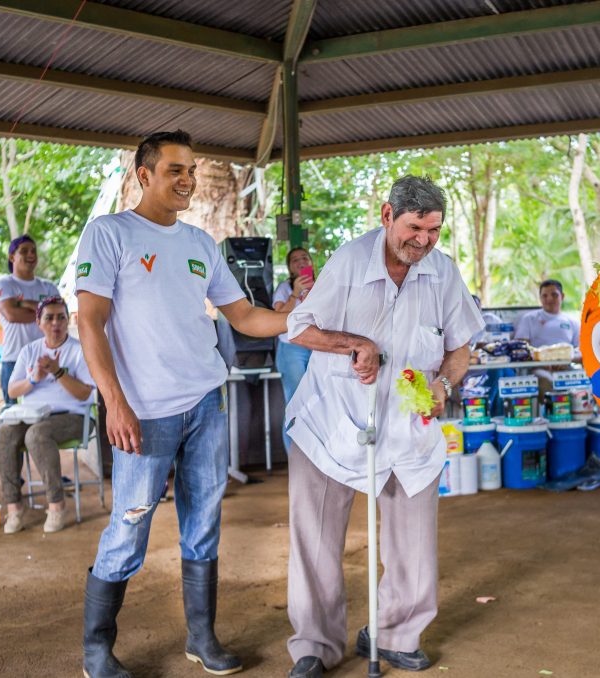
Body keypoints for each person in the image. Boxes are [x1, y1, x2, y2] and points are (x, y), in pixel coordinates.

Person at [75, 129, 289, 678]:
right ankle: (97, 650)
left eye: (191, 170)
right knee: (129, 527)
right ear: (143, 175)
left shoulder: (199, 244)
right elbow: (90, 322)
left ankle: (202, 638)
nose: (188, 180)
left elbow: (245, 318)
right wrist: (114, 402)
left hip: (206, 403)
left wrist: (306, 316)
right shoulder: (109, 234)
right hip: (143, 413)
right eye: (175, 170)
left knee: (204, 523)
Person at [283, 176, 484, 678]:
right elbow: (299, 327)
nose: (424, 240)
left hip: (407, 428)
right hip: (331, 422)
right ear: (387, 215)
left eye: (434, 230)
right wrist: (354, 342)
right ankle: (315, 644)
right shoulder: (350, 262)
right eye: (415, 228)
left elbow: (461, 347)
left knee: (414, 543)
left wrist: (443, 385)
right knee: (316, 538)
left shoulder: (442, 272)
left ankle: (396, 633)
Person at [0, 296, 94, 534]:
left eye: (61, 317)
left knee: (37, 436)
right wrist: (33, 379)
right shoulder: (30, 350)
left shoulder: (79, 350)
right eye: (49, 318)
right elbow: (11, 389)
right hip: (32, 416)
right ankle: (15, 507)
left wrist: (58, 371)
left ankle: (57, 505)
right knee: (3, 435)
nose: (55, 323)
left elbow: (84, 394)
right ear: (38, 322)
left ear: (68, 320)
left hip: (74, 416)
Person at [0, 235, 59, 406]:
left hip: (45, 358)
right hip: (13, 358)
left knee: (45, 408)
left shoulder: (48, 287)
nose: (30, 254)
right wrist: (44, 312)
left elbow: (58, 317)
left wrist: (24, 303)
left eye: (33, 251)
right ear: (12, 257)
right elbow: (12, 316)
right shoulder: (4, 285)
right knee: (12, 412)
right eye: (24, 251)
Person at [272, 247, 315, 451]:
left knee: (317, 401)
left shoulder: (322, 285)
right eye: (295, 260)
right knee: (296, 401)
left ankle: (316, 457)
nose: (300, 262)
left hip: (317, 347)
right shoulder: (284, 288)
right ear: (289, 267)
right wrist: (295, 295)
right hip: (292, 348)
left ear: (311, 263)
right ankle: (294, 456)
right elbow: (277, 316)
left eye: (304, 258)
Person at [513, 279, 580, 348]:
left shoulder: (573, 322)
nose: (549, 299)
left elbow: (580, 349)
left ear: (562, 296)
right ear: (540, 298)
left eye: (554, 295)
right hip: (537, 358)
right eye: (545, 296)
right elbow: (520, 346)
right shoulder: (529, 319)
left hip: (566, 358)